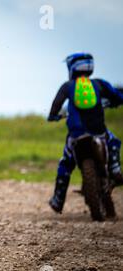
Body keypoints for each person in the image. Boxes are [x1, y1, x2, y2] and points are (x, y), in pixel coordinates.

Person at [47, 53, 123, 213]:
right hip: (99, 132)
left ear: (71, 68)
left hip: (77, 135)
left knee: (65, 163)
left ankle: (58, 200)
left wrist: (53, 116)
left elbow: (56, 104)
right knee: (114, 142)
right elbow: (117, 96)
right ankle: (115, 169)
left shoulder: (68, 86)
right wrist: (116, 102)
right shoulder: (99, 84)